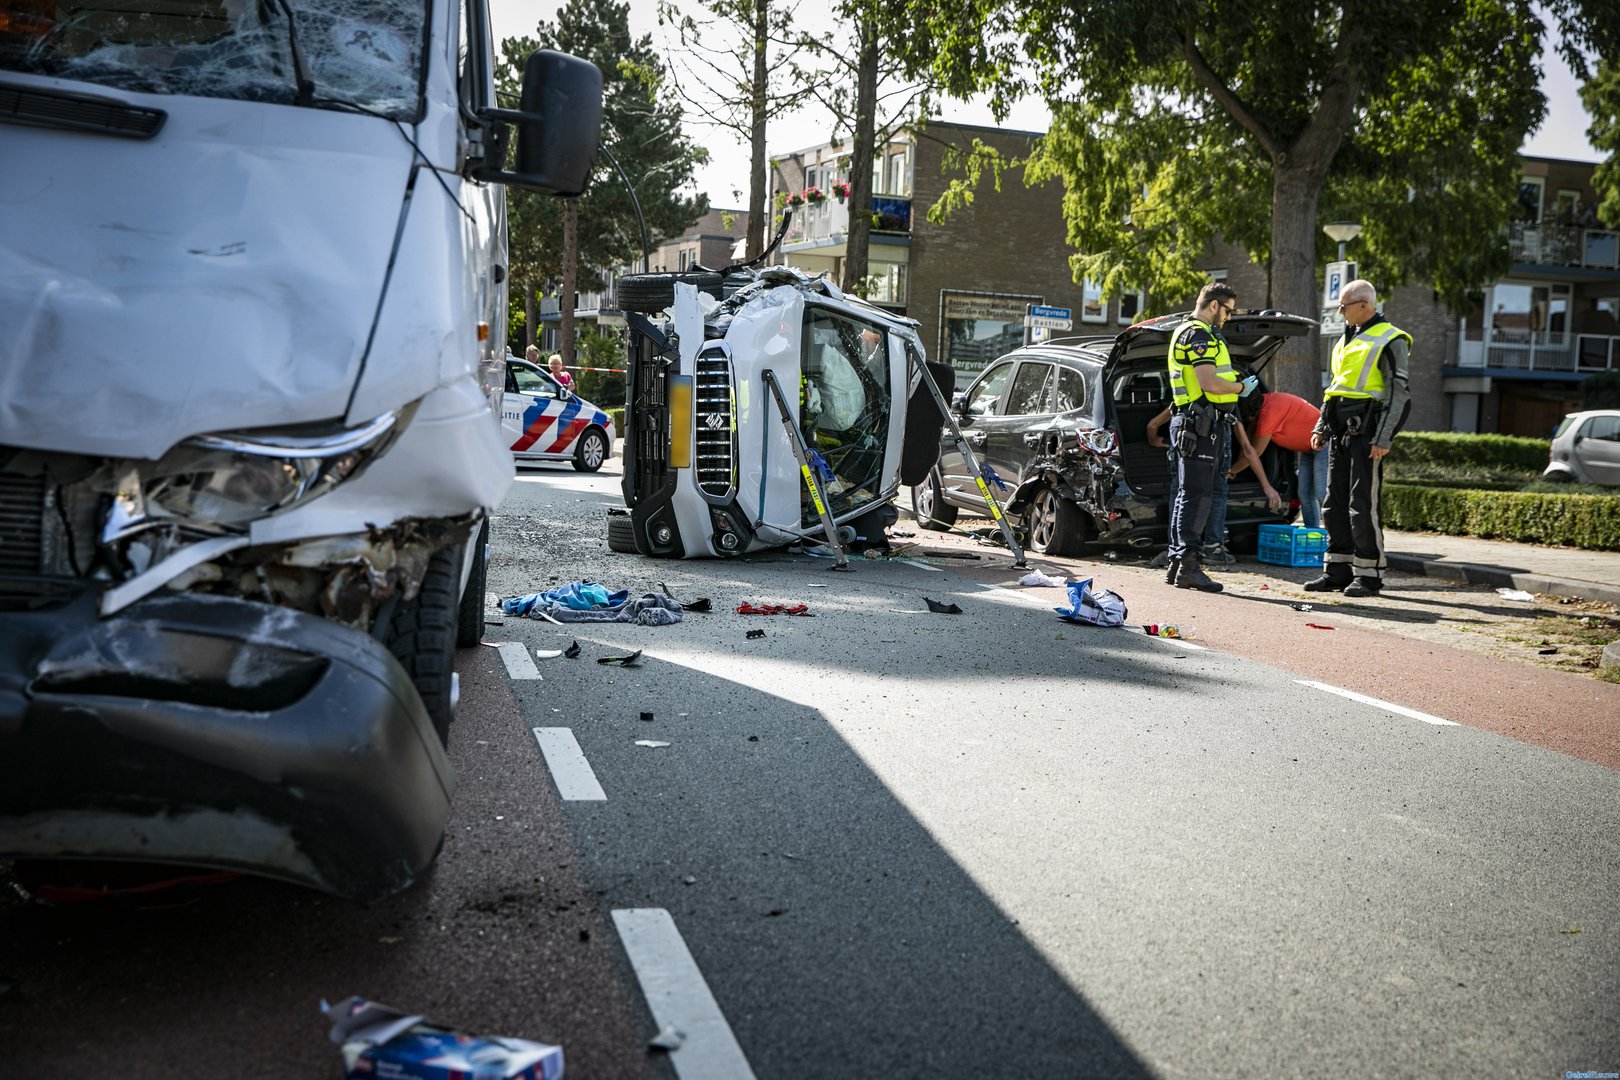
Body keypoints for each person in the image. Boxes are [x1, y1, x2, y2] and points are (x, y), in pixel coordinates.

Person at [1305, 279, 1411, 598]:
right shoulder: (1345, 340)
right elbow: (1335, 388)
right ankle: (1337, 570)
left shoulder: (1391, 339)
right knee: (1333, 504)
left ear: (1364, 305)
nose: (1340, 312)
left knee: (1362, 506)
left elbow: (1399, 394)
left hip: (1368, 435)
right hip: (1340, 434)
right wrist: (1321, 427)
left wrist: (1383, 438)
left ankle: (1369, 575)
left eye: (1344, 306)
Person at [1164, 282, 1243, 592]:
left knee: (1187, 493)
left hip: (1190, 421)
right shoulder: (1200, 336)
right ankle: (1189, 566)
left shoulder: (1183, 331)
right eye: (1228, 310)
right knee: (1198, 495)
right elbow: (1209, 382)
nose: (1228, 317)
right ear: (1214, 305)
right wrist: (1240, 387)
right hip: (1200, 424)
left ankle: (1176, 563)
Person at [1147, 396, 1279, 567]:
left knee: (1181, 490)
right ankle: (1214, 548)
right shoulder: (1223, 398)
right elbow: (1248, 449)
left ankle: (1176, 549)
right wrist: (1266, 486)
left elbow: (1152, 425)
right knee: (1216, 491)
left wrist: (1155, 440)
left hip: (1186, 437)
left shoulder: (1184, 399)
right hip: (1216, 441)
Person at [1231, 378, 1327, 528]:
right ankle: (1312, 534)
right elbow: (1247, 446)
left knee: (1322, 492)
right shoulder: (1263, 404)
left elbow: (1253, 453)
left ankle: (1339, 536)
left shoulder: (1269, 414)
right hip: (1309, 449)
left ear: (1252, 414)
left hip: (1325, 443)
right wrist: (1234, 469)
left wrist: (1231, 471)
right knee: (1305, 494)